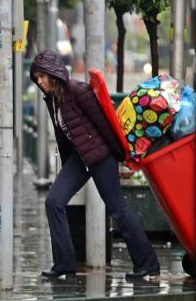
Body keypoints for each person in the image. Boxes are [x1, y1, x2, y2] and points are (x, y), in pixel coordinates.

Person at [30, 49, 160, 279]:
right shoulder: (52, 98)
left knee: (117, 208)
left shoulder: (78, 90)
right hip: (79, 159)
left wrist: (121, 155)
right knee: (54, 202)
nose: (39, 82)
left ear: (53, 73)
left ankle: (147, 263)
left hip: (100, 156)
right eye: (36, 78)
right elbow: (65, 135)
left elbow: (103, 123)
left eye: (42, 76)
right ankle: (64, 264)